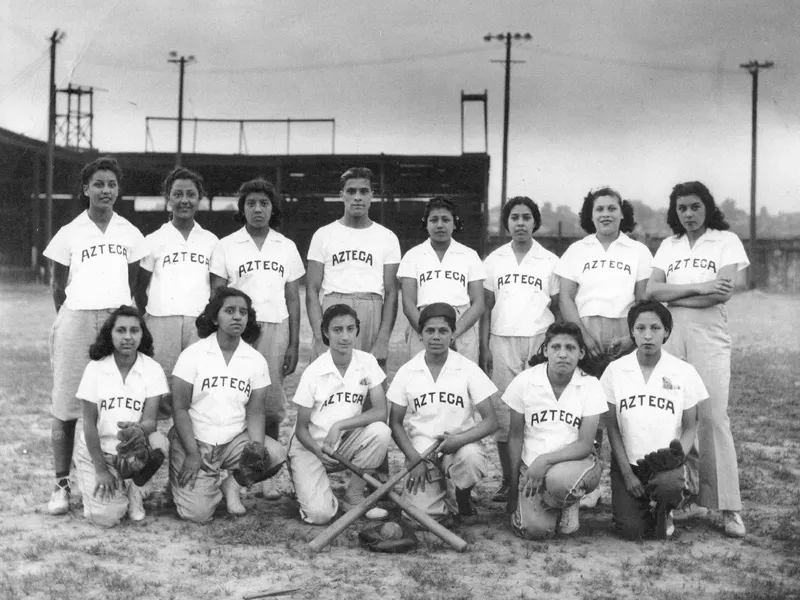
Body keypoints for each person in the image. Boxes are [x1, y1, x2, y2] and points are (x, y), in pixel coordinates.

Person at [43, 156, 145, 516]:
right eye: (98, 184)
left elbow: (134, 284)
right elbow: (58, 285)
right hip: (77, 318)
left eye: (112, 184)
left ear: (119, 190)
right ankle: (61, 483)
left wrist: (116, 318)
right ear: (85, 189)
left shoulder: (130, 232)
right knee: (67, 404)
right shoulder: (69, 231)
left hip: (116, 320)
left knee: (119, 401)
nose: (105, 190)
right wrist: (77, 316)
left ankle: (129, 484)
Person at [646, 181, 748, 538]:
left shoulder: (725, 241)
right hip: (672, 336)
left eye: (695, 207)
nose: (688, 214)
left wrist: (680, 297)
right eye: (682, 208)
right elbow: (651, 291)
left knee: (712, 416)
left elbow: (720, 294)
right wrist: (700, 287)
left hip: (709, 335)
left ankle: (729, 507)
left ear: (707, 207)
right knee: (677, 415)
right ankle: (688, 499)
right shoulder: (668, 246)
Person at [555, 186, 652, 508]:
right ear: (591, 215)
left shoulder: (637, 251)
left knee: (622, 410)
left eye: (612, 208)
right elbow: (565, 297)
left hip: (624, 332)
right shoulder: (577, 250)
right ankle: (590, 483)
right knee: (588, 409)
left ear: (622, 213)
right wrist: (581, 335)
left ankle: (628, 479)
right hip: (586, 332)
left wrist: (630, 336)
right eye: (599, 209)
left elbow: (643, 300)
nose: (606, 214)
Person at [210, 178, 304, 499]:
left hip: (275, 328)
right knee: (237, 397)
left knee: (270, 402)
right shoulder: (226, 245)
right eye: (251, 203)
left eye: (264, 203)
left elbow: (293, 298)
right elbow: (218, 294)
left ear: (272, 208)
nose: (257, 209)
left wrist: (293, 342)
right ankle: (240, 469)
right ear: (242, 208)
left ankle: (266, 473)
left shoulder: (286, 246)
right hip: (239, 328)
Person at [169, 287, 286, 523]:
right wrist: (192, 453)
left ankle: (231, 485)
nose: (237, 317)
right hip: (196, 440)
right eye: (229, 311)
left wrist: (256, 448)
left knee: (274, 454)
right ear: (214, 317)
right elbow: (179, 408)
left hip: (233, 440)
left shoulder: (255, 360)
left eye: (243, 312)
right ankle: (188, 483)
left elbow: (255, 411)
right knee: (198, 515)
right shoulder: (193, 355)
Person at [480, 196, 560, 503]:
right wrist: (485, 346)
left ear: (535, 222)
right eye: (515, 217)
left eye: (527, 217)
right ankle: (508, 478)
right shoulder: (494, 260)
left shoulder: (549, 260)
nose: (521, 223)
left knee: (537, 408)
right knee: (505, 412)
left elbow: (556, 306)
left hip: (539, 338)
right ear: (507, 222)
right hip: (502, 339)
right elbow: (487, 307)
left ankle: (538, 477)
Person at [603, 301, 705, 540]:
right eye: (640, 328)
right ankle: (641, 503)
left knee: (668, 487)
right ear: (631, 332)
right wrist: (627, 474)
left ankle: (665, 508)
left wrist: (678, 458)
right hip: (630, 463)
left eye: (655, 328)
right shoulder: (615, 371)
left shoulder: (683, 371)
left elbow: (690, 427)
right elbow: (612, 427)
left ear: (666, 332)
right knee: (631, 531)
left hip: (665, 462)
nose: (647, 335)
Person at [388, 303, 498, 523]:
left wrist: (458, 440)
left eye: (443, 331)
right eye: (430, 331)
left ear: (453, 334)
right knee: (420, 519)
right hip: (422, 449)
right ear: (420, 335)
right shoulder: (408, 370)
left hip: (459, 445)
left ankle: (462, 496)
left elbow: (491, 421)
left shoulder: (467, 368)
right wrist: (414, 459)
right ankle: (439, 491)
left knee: (472, 459)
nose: (436, 337)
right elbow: (395, 423)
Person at [287, 304, 392, 524]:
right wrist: (318, 451)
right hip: (311, 446)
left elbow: (381, 412)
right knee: (320, 515)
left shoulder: (367, 361)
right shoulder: (314, 371)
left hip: (343, 441)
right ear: (326, 332)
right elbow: (301, 428)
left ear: (356, 330)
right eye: (337, 330)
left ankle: (353, 497)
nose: (345, 336)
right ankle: (306, 486)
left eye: (350, 329)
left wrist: (339, 426)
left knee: (380, 432)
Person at [504, 322, 606, 539]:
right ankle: (549, 506)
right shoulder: (525, 381)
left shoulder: (591, 385)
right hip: (531, 468)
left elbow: (584, 444)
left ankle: (568, 502)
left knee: (560, 481)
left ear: (581, 353)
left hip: (576, 463)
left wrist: (544, 461)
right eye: (556, 347)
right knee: (535, 531)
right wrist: (514, 490)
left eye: (570, 348)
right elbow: (514, 437)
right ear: (545, 350)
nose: (562, 354)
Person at [134, 167, 218, 417]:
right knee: (160, 394)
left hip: (198, 324)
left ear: (199, 199)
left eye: (191, 194)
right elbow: (140, 288)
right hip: (161, 322)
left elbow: (216, 288)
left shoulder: (211, 241)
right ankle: (157, 449)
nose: (184, 200)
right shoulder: (153, 239)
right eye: (178, 194)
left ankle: (190, 452)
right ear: (167, 199)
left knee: (196, 392)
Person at [74, 306, 169, 526]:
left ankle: (135, 488)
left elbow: (150, 422)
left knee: (159, 442)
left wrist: (136, 430)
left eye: (134, 330)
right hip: (98, 451)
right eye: (121, 330)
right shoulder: (95, 369)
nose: (128, 337)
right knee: (107, 517)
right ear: (110, 333)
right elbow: (88, 424)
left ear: (142, 334)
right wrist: (100, 469)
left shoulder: (152, 368)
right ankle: (104, 481)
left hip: (131, 449)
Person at [306, 167, 400, 365]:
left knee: (369, 385)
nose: (357, 197)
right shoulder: (323, 234)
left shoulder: (387, 237)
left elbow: (392, 293)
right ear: (342, 195)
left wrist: (383, 339)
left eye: (364, 191)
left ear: (372, 196)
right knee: (329, 384)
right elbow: (312, 291)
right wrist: (319, 335)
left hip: (372, 308)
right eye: (351, 191)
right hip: (333, 306)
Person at [398, 197, 485, 363]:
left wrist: (453, 334)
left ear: (454, 223)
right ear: (426, 223)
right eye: (433, 220)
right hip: (423, 324)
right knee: (423, 382)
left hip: (461, 325)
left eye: (446, 220)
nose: (439, 225)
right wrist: (428, 332)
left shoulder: (469, 255)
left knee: (460, 382)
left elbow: (479, 303)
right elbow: (408, 304)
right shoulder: (413, 255)